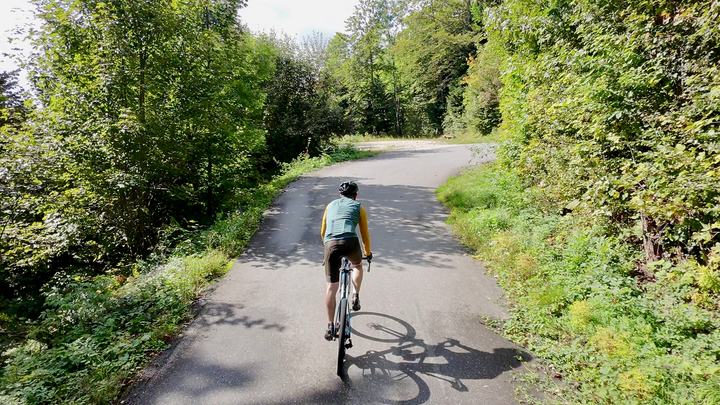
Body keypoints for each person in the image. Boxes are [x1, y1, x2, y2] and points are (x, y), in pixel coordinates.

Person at [321, 181, 372, 341]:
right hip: (350, 242)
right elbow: (365, 234)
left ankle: (330, 326)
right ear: (355, 196)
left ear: (340, 195)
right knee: (357, 265)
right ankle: (355, 295)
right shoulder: (359, 208)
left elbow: (323, 230)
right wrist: (368, 253)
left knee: (331, 287)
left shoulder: (330, 206)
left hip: (331, 244)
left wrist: (328, 248)